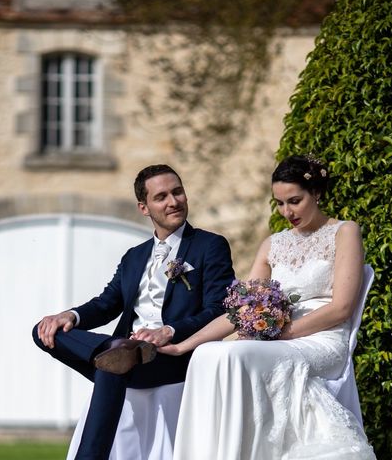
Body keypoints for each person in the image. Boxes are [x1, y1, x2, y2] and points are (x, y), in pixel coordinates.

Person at [159, 155, 376, 459]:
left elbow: (341, 309)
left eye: (295, 201)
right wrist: (186, 345)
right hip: (278, 337)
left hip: (322, 339)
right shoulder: (272, 244)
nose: (287, 211)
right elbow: (239, 311)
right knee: (207, 353)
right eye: (279, 203)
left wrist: (283, 334)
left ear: (316, 193)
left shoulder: (344, 232)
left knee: (239, 355)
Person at [32, 164, 235, 460]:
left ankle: (117, 355)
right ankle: (117, 349)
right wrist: (70, 316)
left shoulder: (210, 246)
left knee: (114, 366)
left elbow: (219, 308)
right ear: (144, 207)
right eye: (162, 196)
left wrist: (169, 331)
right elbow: (107, 303)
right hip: (132, 350)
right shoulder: (134, 256)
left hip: (173, 355)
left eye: (177, 192)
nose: (173, 201)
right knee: (43, 331)